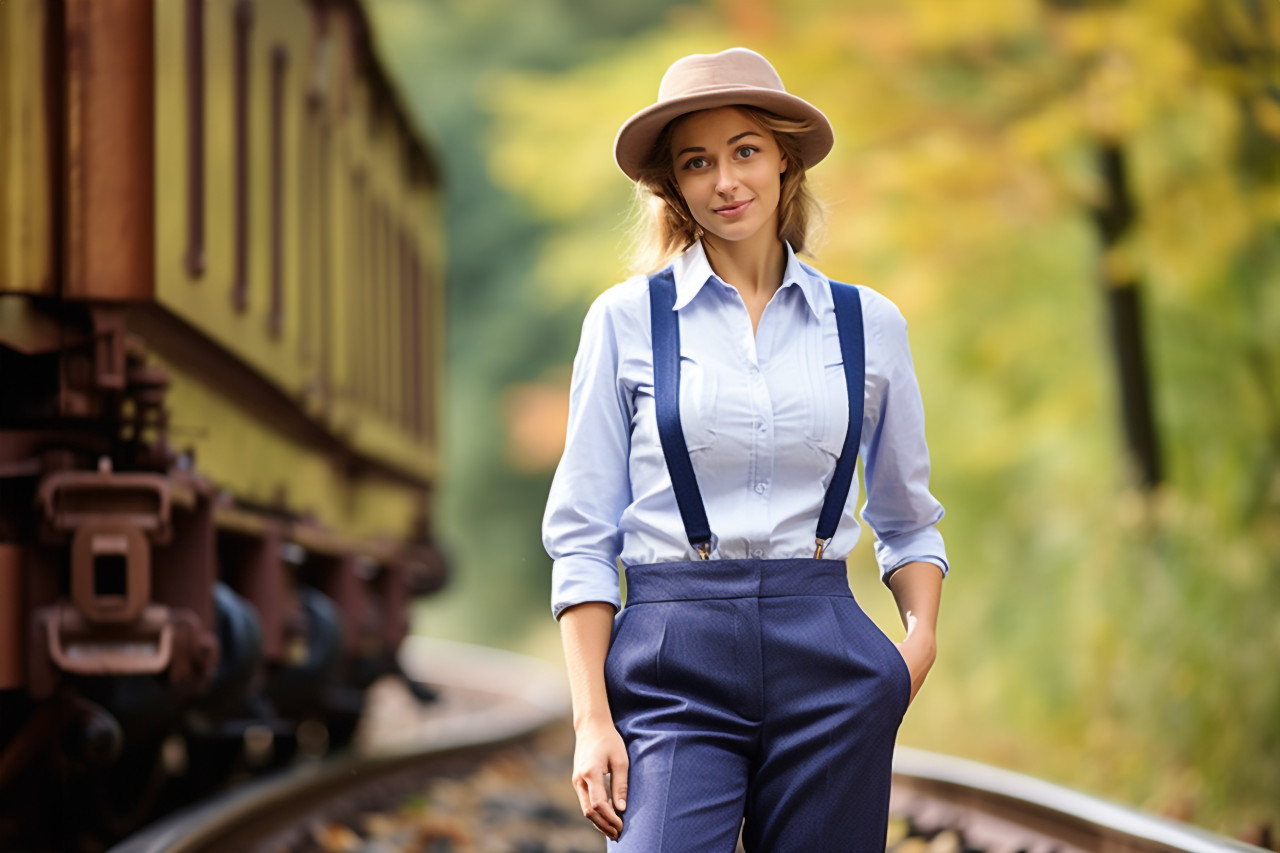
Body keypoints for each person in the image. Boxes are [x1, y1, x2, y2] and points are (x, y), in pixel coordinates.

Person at [542, 47, 949, 852]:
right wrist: (592, 720)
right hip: (671, 656)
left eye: (745, 152)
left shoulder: (869, 326)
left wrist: (914, 649)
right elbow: (583, 534)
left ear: (785, 162)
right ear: (675, 186)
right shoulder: (623, 322)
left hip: (827, 648)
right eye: (699, 162)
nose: (725, 181)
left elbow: (908, 518)